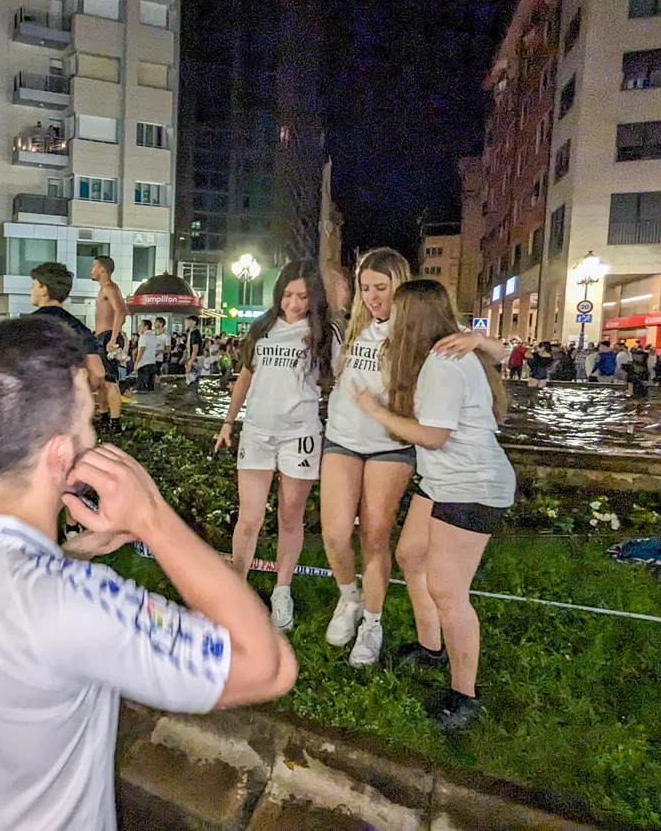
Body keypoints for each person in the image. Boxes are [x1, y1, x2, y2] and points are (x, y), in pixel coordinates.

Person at [0, 317, 296, 829]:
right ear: (62, 455)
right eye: (88, 422)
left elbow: (8, 612)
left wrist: (72, 554)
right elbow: (268, 666)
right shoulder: (71, 605)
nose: (93, 437)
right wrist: (153, 518)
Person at [352, 279, 514, 731]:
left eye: (400, 312)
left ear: (414, 318)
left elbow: (434, 436)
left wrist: (377, 411)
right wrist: (482, 340)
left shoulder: (443, 363)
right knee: (410, 554)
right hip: (444, 479)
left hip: (471, 484)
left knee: (447, 589)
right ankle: (429, 648)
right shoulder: (446, 349)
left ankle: (465, 695)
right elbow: (498, 354)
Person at [213, 261, 339, 630]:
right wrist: (227, 421)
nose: (294, 303)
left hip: (299, 434)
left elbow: (344, 377)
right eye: (288, 295)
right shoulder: (262, 328)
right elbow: (245, 378)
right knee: (249, 518)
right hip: (257, 432)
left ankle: (281, 591)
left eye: (302, 296)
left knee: (289, 517)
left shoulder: (322, 333)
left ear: (313, 297)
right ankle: (237, 588)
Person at [320, 247, 415, 666]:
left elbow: (487, 355)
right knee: (335, 533)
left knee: (375, 536)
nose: (373, 297)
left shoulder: (417, 331)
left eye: (382, 287)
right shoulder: (354, 327)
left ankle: (372, 623)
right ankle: (349, 598)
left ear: (401, 284)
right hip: (341, 437)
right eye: (366, 288)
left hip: (390, 445)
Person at [28, 261, 107, 407]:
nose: (31, 290)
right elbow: (98, 374)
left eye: (34, 285)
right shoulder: (79, 328)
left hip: (32, 408)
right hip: (67, 409)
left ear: (43, 289)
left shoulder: (23, 327)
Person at [90, 255, 129, 432]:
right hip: (102, 337)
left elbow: (121, 310)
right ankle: (105, 417)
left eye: (94, 266)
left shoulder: (110, 288)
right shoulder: (103, 290)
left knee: (110, 380)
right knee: (101, 380)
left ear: (102, 269)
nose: (91, 270)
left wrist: (113, 338)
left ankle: (115, 422)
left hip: (107, 337)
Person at [135, 318, 165, 392]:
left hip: (144, 364)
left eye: (141, 325)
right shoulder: (154, 336)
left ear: (146, 326)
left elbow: (141, 350)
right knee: (150, 387)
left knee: (142, 388)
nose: (139, 327)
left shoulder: (143, 337)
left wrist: (136, 363)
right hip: (152, 363)